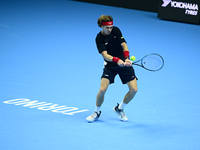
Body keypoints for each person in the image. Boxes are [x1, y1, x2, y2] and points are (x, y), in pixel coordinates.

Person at [86, 15, 138, 123]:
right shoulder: (99, 38)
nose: (110, 29)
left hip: (124, 63)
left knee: (134, 90)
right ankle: (97, 112)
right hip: (111, 65)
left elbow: (124, 45)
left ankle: (119, 108)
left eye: (111, 27)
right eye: (107, 28)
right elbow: (105, 55)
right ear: (101, 26)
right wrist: (116, 60)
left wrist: (127, 58)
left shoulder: (116, 30)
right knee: (102, 90)